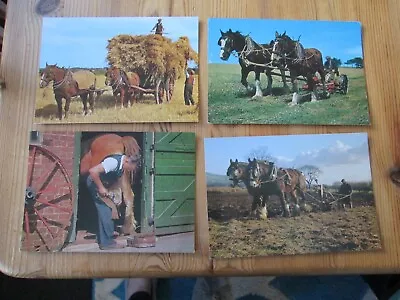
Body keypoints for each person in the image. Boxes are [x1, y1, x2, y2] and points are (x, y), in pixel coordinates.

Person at [87, 153, 140, 250]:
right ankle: (107, 243)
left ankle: (101, 239)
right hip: (95, 183)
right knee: (107, 210)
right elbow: (93, 171)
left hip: (104, 185)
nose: (130, 170)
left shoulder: (121, 166)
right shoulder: (113, 162)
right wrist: (101, 188)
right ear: (127, 161)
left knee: (110, 209)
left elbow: (115, 180)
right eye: (131, 167)